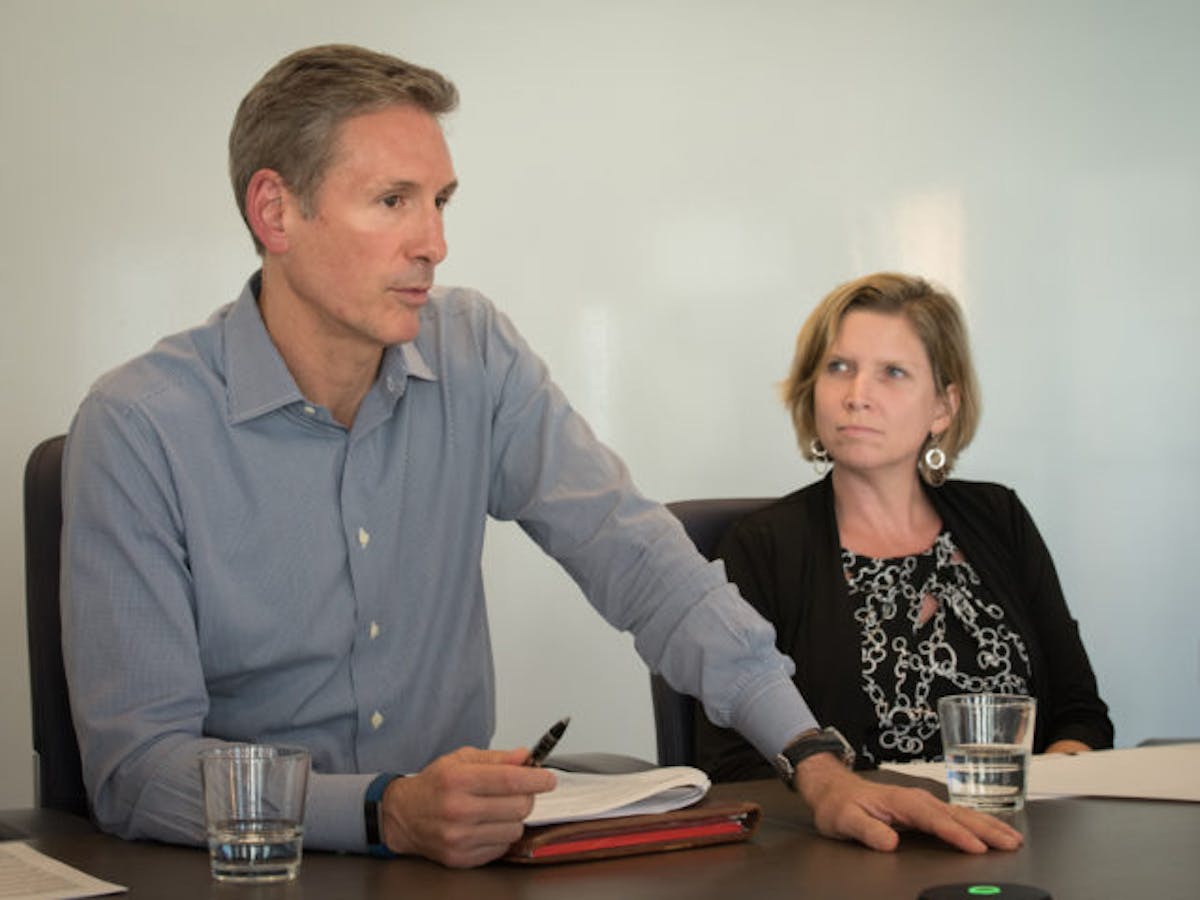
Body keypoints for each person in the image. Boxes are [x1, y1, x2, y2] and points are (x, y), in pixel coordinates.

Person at [61, 47, 1022, 868]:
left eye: (439, 200)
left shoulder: (473, 352)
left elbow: (642, 563)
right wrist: (380, 809)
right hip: (248, 877)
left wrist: (813, 757)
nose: (433, 242)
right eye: (392, 200)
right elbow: (135, 769)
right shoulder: (139, 428)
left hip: (454, 872)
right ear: (275, 211)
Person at [695, 272, 1114, 782]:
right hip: (854, 848)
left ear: (943, 406)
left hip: (1018, 834)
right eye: (838, 368)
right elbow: (733, 761)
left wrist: (1043, 793)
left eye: (892, 372)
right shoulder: (763, 547)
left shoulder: (998, 518)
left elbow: (1080, 714)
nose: (857, 394)